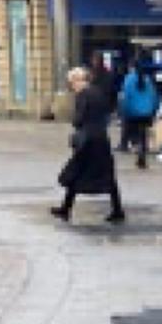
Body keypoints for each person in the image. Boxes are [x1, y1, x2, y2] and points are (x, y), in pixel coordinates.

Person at [53, 66, 124, 225]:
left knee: (75, 172)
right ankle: (117, 209)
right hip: (101, 138)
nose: (71, 86)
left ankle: (66, 209)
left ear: (79, 80)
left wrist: (76, 122)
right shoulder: (97, 92)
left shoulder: (83, 95)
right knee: (108, 175)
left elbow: (79, 119)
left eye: (72, 82)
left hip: (88, 140)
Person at [118, 60, 162, 169]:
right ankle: (142, 154)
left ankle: (138, 151)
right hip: (146, 112)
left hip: (132, 112)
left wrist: (123, 110)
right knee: (143, 134)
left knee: (135, 134)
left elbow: (125, 96)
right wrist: (154, 109)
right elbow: (154, 95)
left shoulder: (128, 79)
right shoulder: (147, 79)